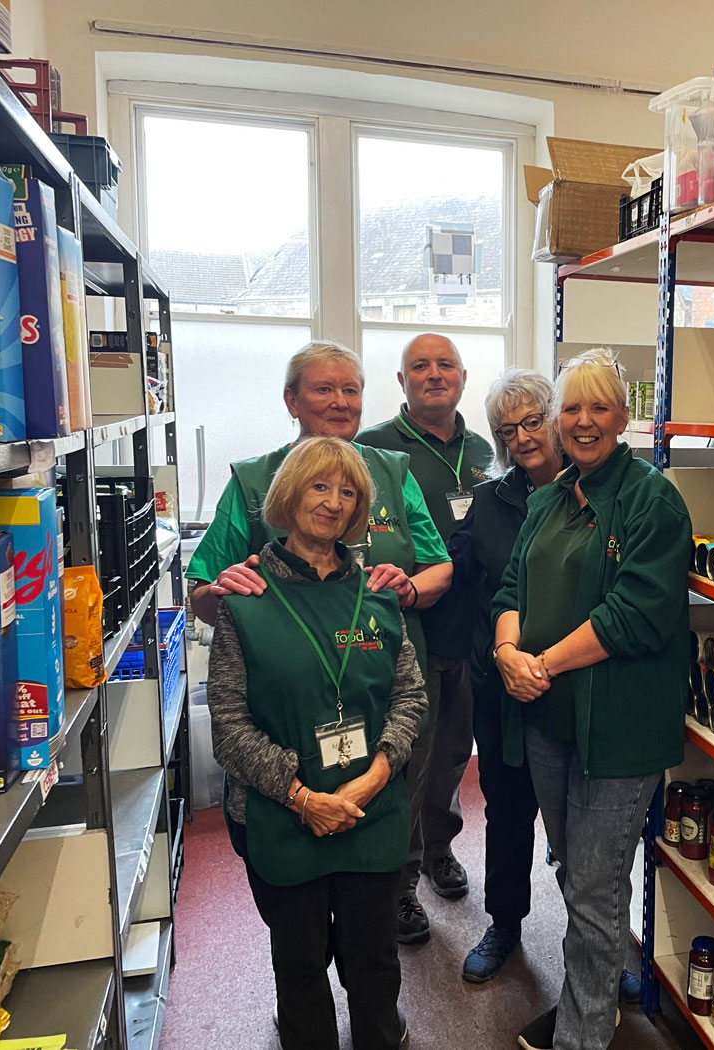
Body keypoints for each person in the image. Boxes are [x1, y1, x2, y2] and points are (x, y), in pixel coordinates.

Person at [491, 349, 692, 1050]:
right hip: (548, 719)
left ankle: (581, 1037)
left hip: (618, 729)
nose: (582, 422)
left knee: (595, 891)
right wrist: (505, 653)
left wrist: (537, 662)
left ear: (624, 416)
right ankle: (590, 1007)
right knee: (574, 871)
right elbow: (511, 585)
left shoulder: (652, 499)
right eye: (570, 408)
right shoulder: (548, 497)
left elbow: (633, 614)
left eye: (597, 407)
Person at [208, 437, 426, 1050]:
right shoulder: (245, 599)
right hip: (282, 816)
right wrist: (304, 796)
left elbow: (409, 698)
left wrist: (373, 777)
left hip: (371, 808)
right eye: (318, 487)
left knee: (374, 962)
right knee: (300, 964)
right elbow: (228, 725)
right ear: (289, 495)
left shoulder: (380, 592)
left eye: (348, 492)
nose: (333, 503)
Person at [187, 341, 452, 683]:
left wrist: (409, 589)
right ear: (292, 401)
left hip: (386, 676)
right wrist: (222, 590)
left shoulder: (392, 471)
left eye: (350, 391)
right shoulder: (252, 480)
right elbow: (203, 597)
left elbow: (439, 567)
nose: (340, 402)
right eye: (324, 389)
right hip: (287, 680)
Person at [358, 333, 493, 943]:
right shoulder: (374, 449)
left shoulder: (484, 449)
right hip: (406, 635)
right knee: (407, 761)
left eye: (445, 366)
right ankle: (402, 881)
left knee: (451, 757)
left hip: (474, 633)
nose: (434, 375)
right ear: (402, 380)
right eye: (420, 367)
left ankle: (438, 850)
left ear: (462, 378)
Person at [445, 369, 561, 983]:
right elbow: (459, 573)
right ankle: (506, 924)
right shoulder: (488, 503)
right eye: (505, 429)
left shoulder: (597, 493)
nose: (520, 437)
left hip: (577, 688)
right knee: (508, 811)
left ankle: (601, 941)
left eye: (532, 421)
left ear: (558, 416)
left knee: (582, 826)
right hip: (502, 690)